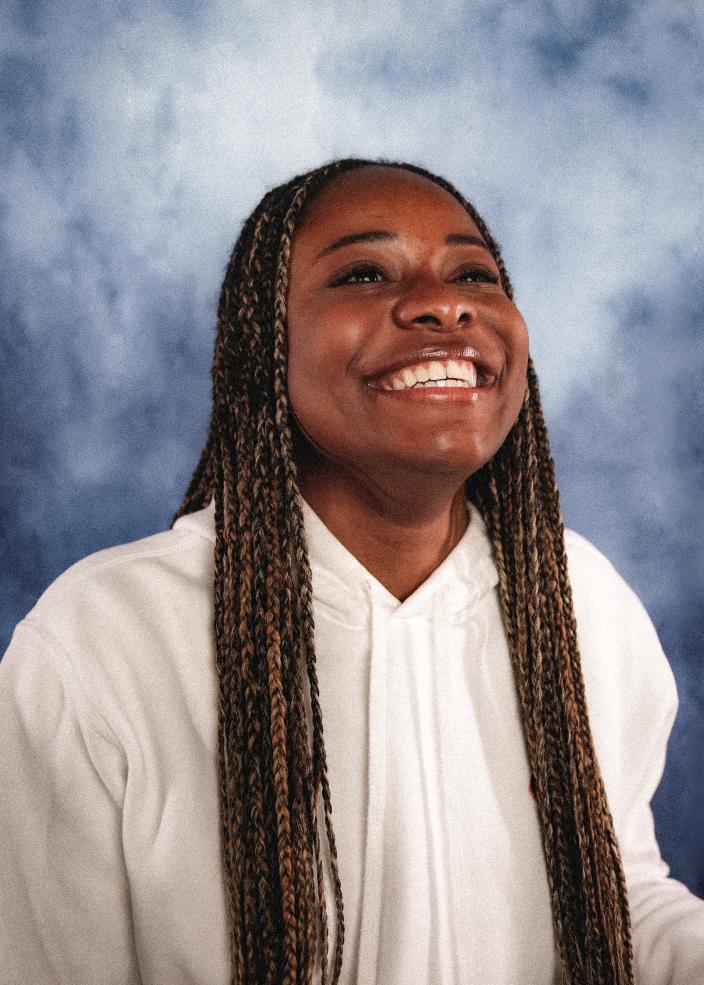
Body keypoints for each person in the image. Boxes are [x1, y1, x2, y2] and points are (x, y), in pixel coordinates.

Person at [0, 158, 702, 985]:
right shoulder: (106, 638)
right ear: (264, 343)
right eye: (363, 273)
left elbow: (620, 900)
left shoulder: (583, 604)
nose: (447, 301)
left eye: (474, 271)